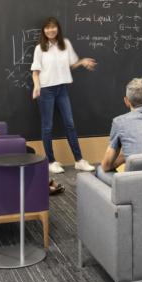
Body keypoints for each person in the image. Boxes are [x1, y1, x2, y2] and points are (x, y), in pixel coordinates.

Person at [31, 17, 98, 174]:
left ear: (58, 29)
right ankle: (51, 162)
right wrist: (36, 86)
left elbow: (70, 65)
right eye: (47, 28)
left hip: (61, 89)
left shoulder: (65, 44)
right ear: (44, 30)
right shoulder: (40, 48)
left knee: (70, 124)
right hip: (46, 90)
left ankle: (79, 160)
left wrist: (82, 62)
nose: (50, 30)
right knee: (47, 126)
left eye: (53, 27)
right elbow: (35, 71)